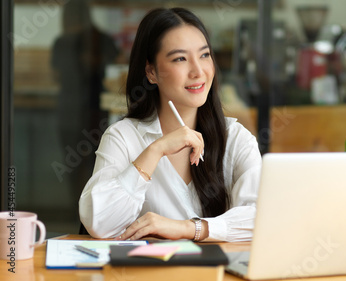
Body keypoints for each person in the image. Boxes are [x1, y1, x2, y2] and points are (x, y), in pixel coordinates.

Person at [79, 7, 262, 242]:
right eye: (180, 59)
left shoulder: (236, 138)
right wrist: (156, 150)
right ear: (151, 72)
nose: (198, 71)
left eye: (204, 55)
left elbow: (261, 218)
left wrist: (189, 229)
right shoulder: (123, 136)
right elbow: (100, 223)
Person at [51, 0, 119, 218]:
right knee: (95, 164)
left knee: (75, 165)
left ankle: (79, 212)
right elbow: (114, 70)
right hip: (91, 111)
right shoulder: (102, 39)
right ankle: (89, 213)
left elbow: (56, 76)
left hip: (76, 110)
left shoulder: (64, 41)